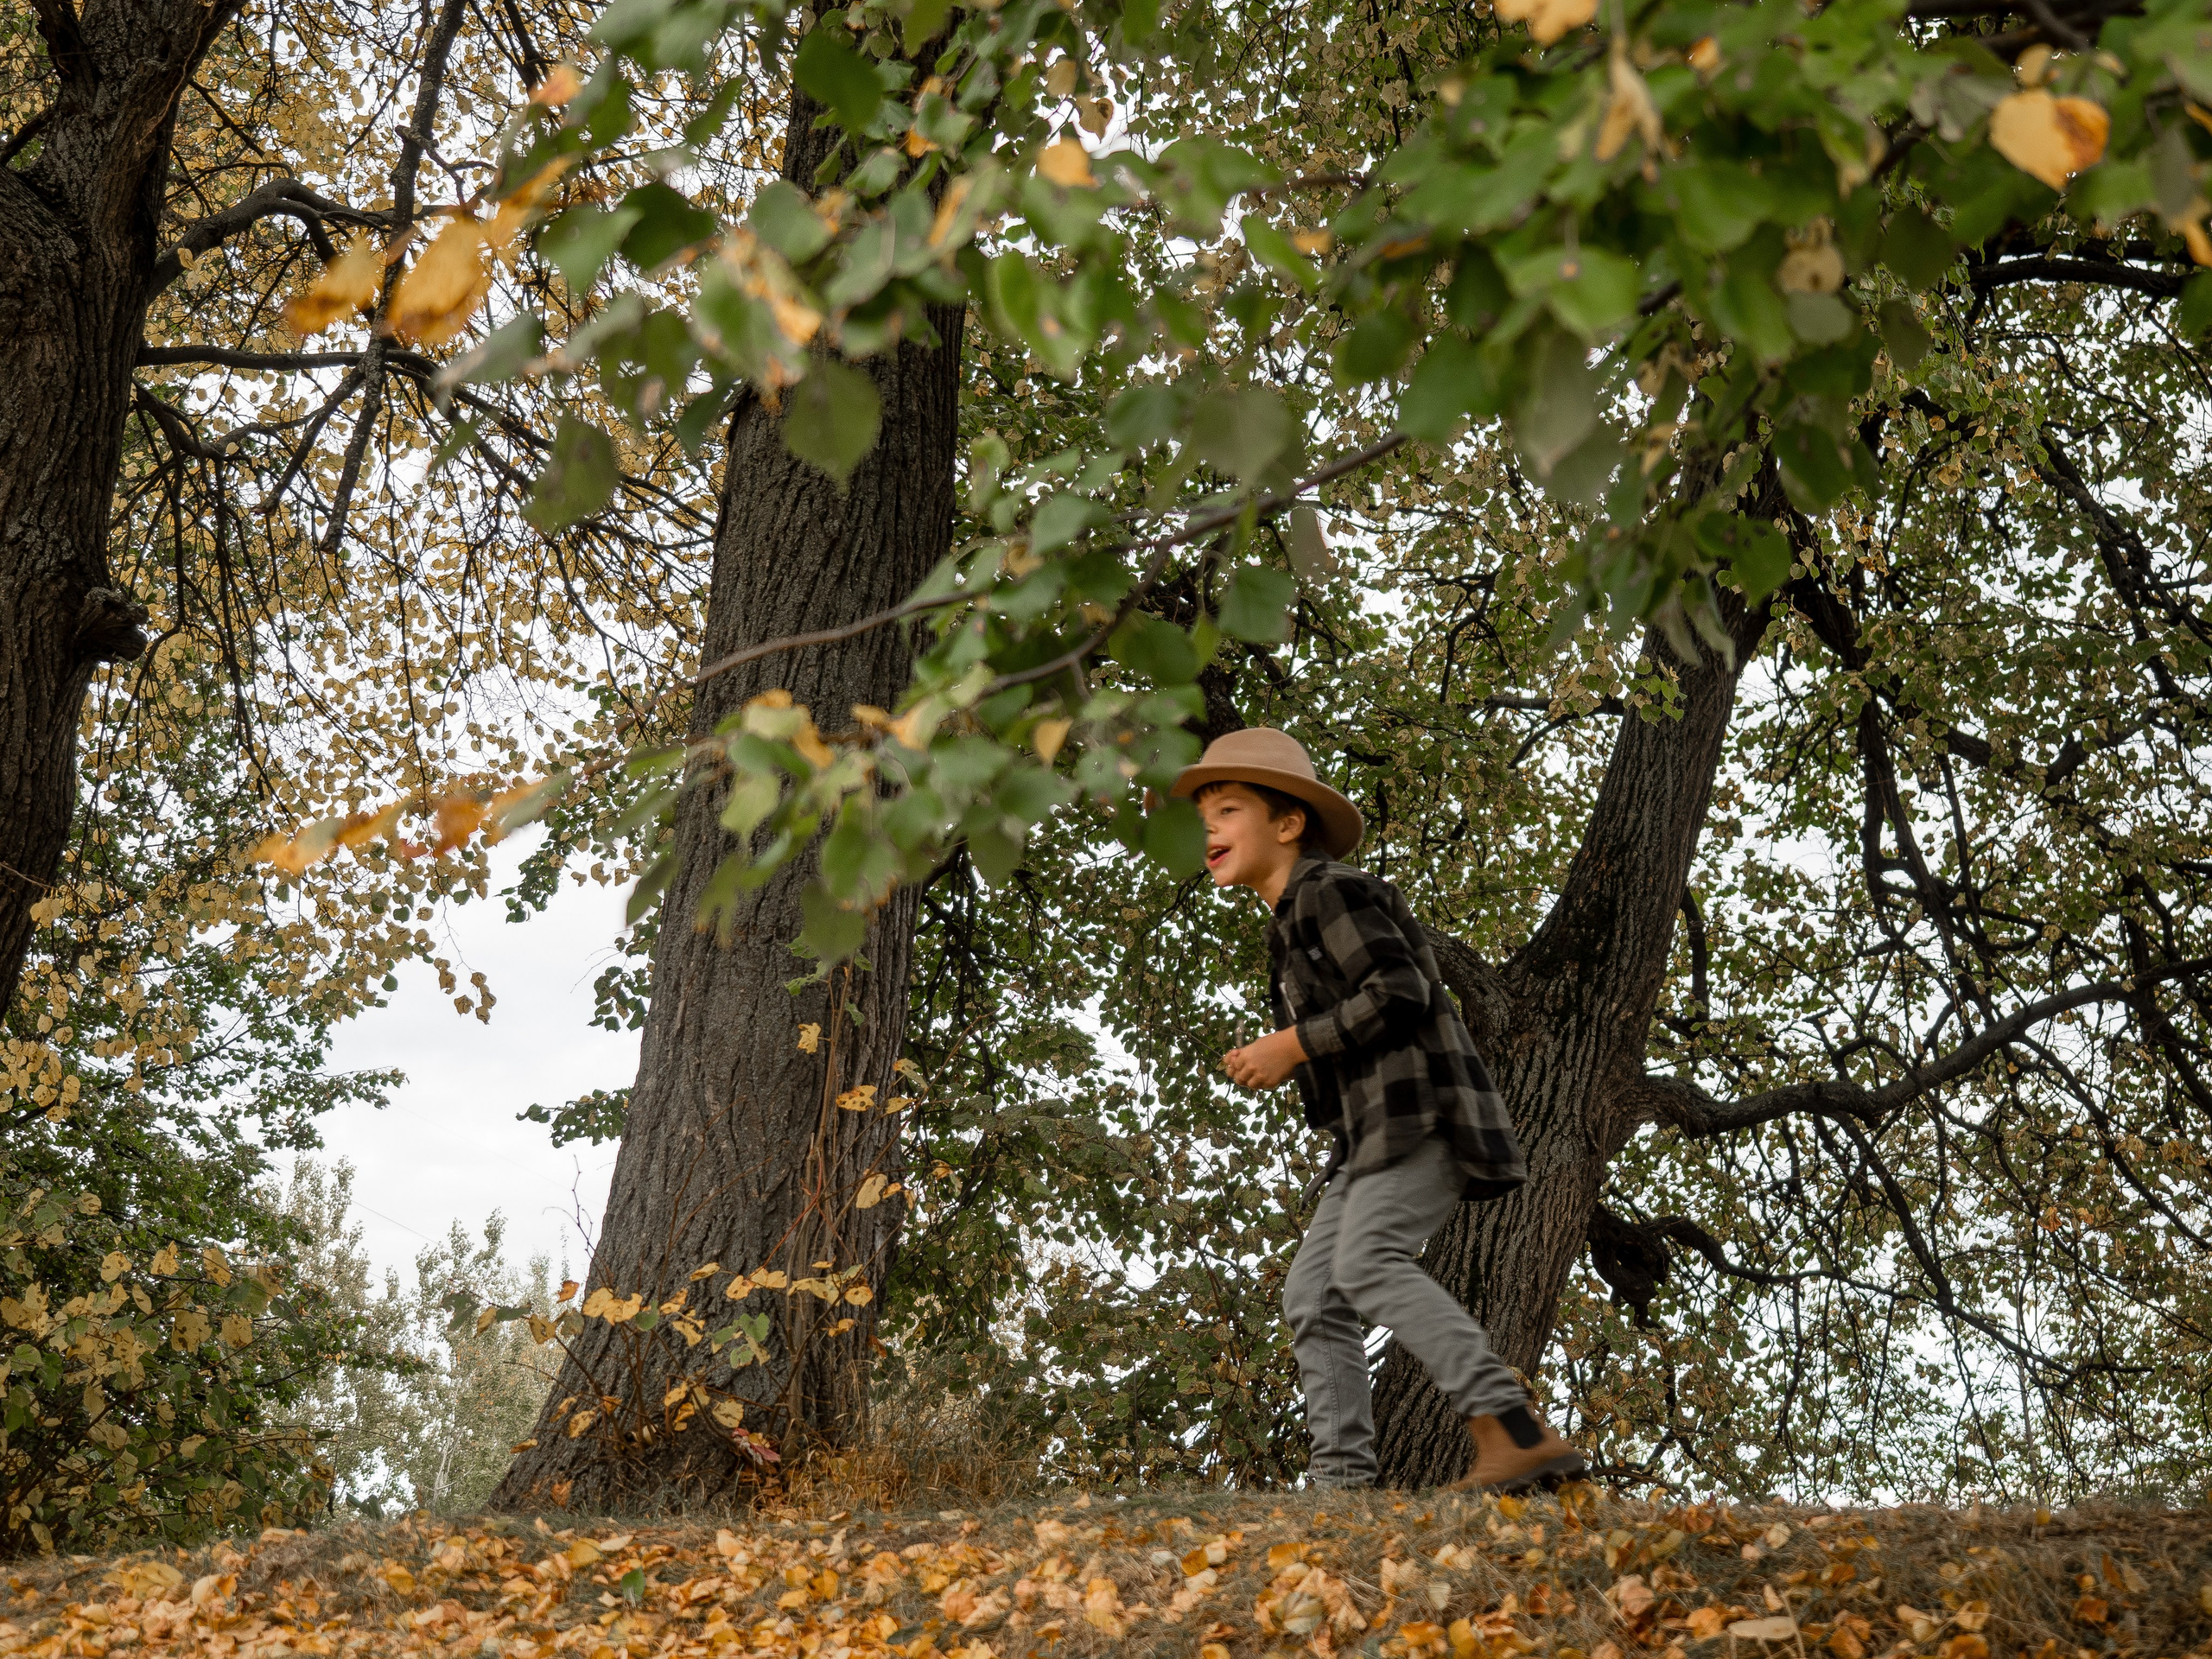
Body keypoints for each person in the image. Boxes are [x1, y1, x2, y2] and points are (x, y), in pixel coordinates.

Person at [1171, 726, 1586, 1492]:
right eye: (1205, 817)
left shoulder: (1330, 890)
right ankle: (1341, 1492)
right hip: (1367, 1140)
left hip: (1417, 1116)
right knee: (1313, 1295)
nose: (1211, 829)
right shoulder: (1288, 926)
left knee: (1365, 1265)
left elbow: (1401, 991)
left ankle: (1514, 1430)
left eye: (1227, 810)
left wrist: (1293, 1044)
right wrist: (1294, 1050)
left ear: (1288, 824)